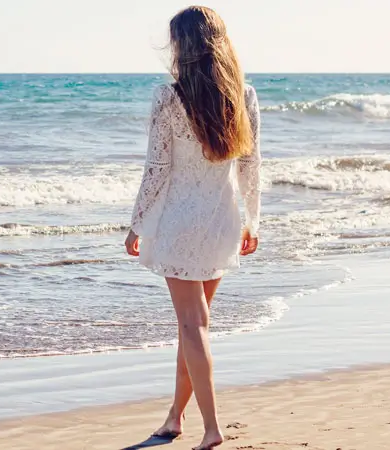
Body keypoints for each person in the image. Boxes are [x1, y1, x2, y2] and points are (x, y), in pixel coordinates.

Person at [124, 6, 261, 450]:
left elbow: (156, 170)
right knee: (195, 326)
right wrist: (253, 219)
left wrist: (136, 224)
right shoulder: (244, 95)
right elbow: (250, 166)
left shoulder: (168, 97)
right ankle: (174, 417)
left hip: (179, 223)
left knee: (192, 326)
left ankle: (211, 428)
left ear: (183, 45)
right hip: (222, 221)